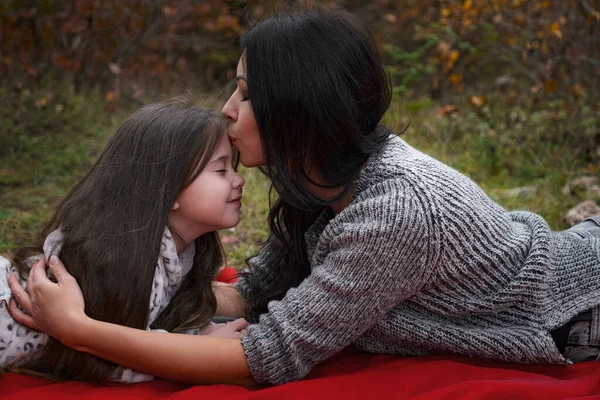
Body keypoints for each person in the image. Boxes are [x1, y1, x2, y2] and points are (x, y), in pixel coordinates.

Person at [8, 8, 600, 387]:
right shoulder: (319, 183)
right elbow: (254, 295)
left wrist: (82, 331)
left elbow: (261, 357)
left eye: (245, 92)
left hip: (574, 310)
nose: (227, 110)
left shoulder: (393, 211)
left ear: (297, 109)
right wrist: (115, 290)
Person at [1, 99, 248, 382]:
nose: (239, 180)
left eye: (234, 167)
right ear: (169, 189)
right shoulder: (128, 260)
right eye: (221, 170)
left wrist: (198, 332)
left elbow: (135, 333)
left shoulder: (183, 250)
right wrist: (207, 347)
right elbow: (111, 358)